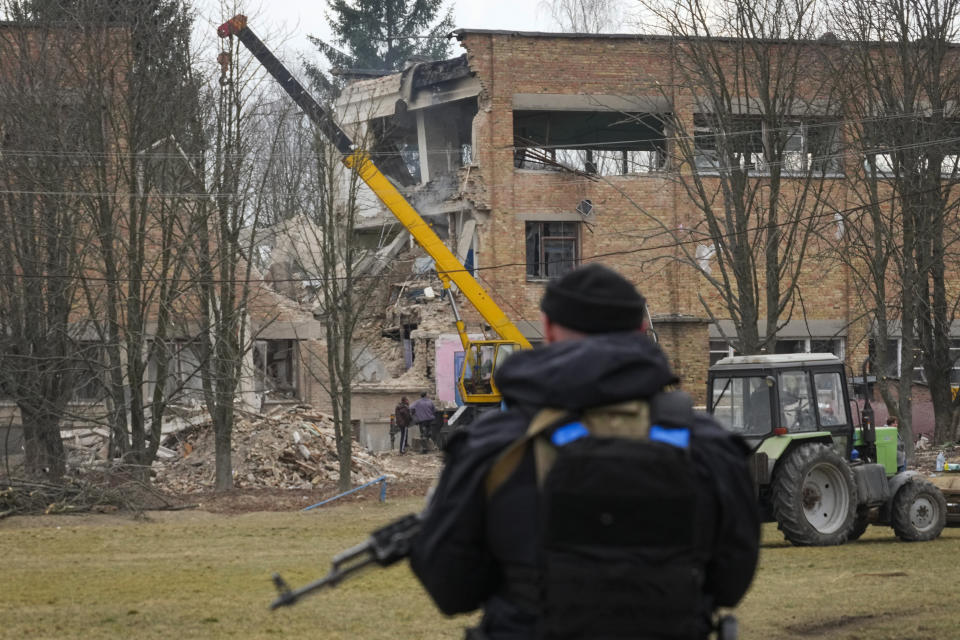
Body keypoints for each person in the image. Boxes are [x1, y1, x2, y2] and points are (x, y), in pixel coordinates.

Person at [410, 263, 760, 640]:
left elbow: (450, 586)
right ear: (641, 331)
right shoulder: (709, 447)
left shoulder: (494, 446)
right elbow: (731, 582)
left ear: (548, 329)